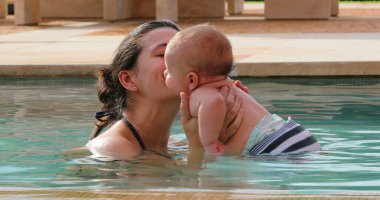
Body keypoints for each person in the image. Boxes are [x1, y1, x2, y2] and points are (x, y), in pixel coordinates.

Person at [85, 20, 247, 161]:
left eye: (187, 55)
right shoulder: (112, 149)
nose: (186, 64)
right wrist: (197, 150)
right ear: (129, 80)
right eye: (164, 54)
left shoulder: (177, 144)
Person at [164, 24, 321, 156]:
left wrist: (209, 143)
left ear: (192, 80)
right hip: (291, 133)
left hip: (270, 146)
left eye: (168, 71)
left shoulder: (202, 93)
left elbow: (213, 101)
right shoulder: (229, 85)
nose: (165, 74)